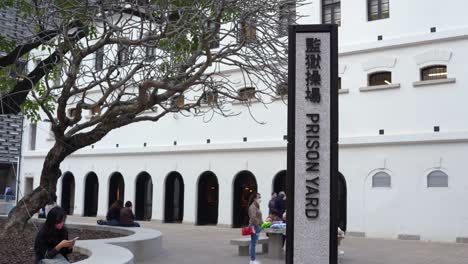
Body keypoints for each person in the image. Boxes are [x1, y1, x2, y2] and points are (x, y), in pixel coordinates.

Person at [248, 193, 263, 264]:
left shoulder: (256, 206)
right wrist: (258, 224)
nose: (260, 199)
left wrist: (262, 223)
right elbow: (253, 218)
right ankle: (252, 260)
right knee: (253, 243)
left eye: (260, 197)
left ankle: (253, 259)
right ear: (254, 199)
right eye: (258, 197)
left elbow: (258, 217)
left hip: (257, 226)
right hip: (254, 227)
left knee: (254, 243)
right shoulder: (253, 207)